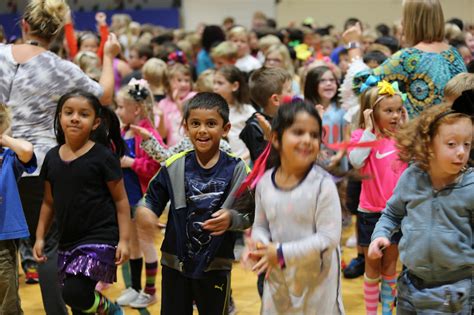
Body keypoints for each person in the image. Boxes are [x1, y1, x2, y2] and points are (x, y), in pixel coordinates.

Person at [0, 0, 120, 313]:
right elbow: (104, 96)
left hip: (2, 162)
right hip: (37, 167)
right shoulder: (60, 67)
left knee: (3, 250)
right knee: (49, 247)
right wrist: (108, 57)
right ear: (55, 34)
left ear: (24, 24)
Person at [135, 92, 251, 315]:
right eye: (195, 124)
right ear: (186, 128)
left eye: (211, 124)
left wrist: (232, 219)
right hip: (174, 264)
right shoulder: (174, 165)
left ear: (225, 129)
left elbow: (250, 213)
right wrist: (145, 211)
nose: (203, 130)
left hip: (216, 266)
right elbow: (152, 198)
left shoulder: (238, 169)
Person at [368, 92, 474, 314]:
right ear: (428, 146)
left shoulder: (471, 185)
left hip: (455, 290)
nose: (461, 152)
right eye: (452, 144)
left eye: (467, 144)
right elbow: (391, 213)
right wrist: (380, 234)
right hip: (410, 284)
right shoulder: (412, 177)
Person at [33, 91, 130, 315]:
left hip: (99, 237)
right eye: (69, 113)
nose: (75, 118)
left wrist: (124, 240)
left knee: (74, 293)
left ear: (96, 122)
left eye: (83, 114)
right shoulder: (52, 157)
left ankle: (112, 310)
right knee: (80, 305)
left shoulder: (103, 157)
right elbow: (48, 202)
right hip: (68, 240)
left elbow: (121, 201)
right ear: (59, 117)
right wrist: (40, 237)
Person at [247, 101, 345, 314]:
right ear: (275, 138)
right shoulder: (264, 182)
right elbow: (260, 225)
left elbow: (328, 238)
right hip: (279, 281)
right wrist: (261, 245)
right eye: (298, 132)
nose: (307, 140)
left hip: (318, 287)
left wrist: (280, 252)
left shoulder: (323, 185)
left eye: (314, 135)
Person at [343, 0, 466, 118]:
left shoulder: (409, 58)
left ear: (413, 21)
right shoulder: (454, 53)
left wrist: (353, 45)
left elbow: (361, 84)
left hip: (419, 136)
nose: (402, 22)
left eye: (405, 16)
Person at [348, 81, 408, 315]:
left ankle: (387, 312)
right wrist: (370, 129)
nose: (394, 116)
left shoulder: (403, 138)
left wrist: (406, 124)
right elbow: (356, 160)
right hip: (370, 213)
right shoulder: (362, 136)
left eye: (398, 110)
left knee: (390, 266)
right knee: (373, 264)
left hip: (397, 215)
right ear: (372, 113)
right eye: (388, 111)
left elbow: (416, 157)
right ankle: (371, 312)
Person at [114, 79, 162, 308]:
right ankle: (134, 287)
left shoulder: (147, 134)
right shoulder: (124, 131)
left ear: (136, 109)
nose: (118, 111)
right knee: (133, 243)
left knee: (145, 243)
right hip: (126, 196)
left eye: (121, 107)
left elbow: (155, 166)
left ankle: (150, 291)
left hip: (143, 198)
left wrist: (131, 162)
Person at [0, 103, 36, 314]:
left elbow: (27, 150)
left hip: (2, 237)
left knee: (7, 296)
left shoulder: (8, 158)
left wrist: (3, 137)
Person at [240, 67, 293, 164]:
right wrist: (268, 139)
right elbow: (262, 162)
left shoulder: (291, 117)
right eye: (289, 91)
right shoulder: (254, 127)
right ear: (275, 99)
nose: (294, 94)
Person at [213, 65, 255, 162]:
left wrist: (241, 159)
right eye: (214, 83)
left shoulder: (247, 111)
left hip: (242, 164)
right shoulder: (211, 109)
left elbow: (257, 142)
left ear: (235, 86)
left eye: (220, 83)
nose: (215, 87)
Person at [155, 63, 196, 146]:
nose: (183, 84)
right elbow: (162, 135)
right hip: (173, 150)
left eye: (187, 80)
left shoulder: (194, 97)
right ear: (168, 83)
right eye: (179, 80)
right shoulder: (163, 103)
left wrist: (178, 102)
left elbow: (192, 124)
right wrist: (162, 117)